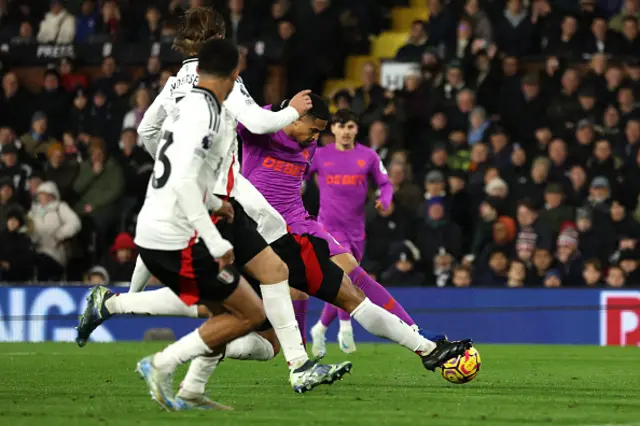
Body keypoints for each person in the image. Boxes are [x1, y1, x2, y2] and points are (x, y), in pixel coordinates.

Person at [77, 7, 351, 405]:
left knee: (268, 260)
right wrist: (292, 110)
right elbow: (256, 124)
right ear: (228, 59)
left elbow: (146, 131)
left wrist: (166, 165)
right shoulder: (213, 96)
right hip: (204, 204)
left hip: (213, 196)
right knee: (226, 302)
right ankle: (137, 327)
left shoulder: (175, 85)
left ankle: (295, 363)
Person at [239, 94, 472, 372]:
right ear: (295, 117)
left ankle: (415, 333)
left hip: (304, 224)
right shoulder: (262, 133)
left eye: (321, 132)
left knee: (353, 278)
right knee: (298, 291)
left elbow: (383, 184)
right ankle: (299, 352)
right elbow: (246, 116)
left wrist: (384, 199)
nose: (315, 137)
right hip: (267, 230)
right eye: (313, 129)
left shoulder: (324, 149)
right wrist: (279, 108)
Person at [118, 38, 275, 411]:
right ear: (235, 74)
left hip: (158, 229)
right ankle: (159, 363)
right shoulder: (207, 113)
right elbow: (186, 183)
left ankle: (191, 390)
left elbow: (181, 173)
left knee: (226, 313)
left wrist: (217, 203)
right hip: (175, 238)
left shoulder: (186, 106)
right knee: (250, 314)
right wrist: (216, 242)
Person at [305, 109, 412, 358]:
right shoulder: (320, 155)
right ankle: (345, 327)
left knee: (347, 282)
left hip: (356, 229)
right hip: (328, 227)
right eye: (341, 126)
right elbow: (300, 175)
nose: (345, 132)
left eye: (350, 126)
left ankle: (320, 328)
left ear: (356, 130)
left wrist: (385, 200)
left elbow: (385, 184)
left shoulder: (369, 156)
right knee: (346, 275)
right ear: (332, 129)